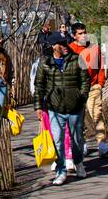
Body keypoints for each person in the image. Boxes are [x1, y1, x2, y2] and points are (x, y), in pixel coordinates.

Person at [34, 35, 90, 185]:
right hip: (54, 108)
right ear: (53, 46)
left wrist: (81, 97)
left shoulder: (77, 58)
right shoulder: (45, 62)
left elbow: (85, 80)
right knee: (57, 140)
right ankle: (61, 170)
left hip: (75, 107)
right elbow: (39, 85)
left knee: (77, 139)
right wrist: (38, 106)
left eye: (65, 42)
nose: (65, 45)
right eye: (61, 43)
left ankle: (78, 163)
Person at [69, 22, 108, 155]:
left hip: (93, 87)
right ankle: (83, 143)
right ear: (74, 35)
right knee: (81, 117)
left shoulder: (94, 48)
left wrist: (100, 83)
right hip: (78, 89)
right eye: (80, 33)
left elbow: (100, 66)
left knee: (97, 114)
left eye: (85, 32)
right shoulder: (70, 49)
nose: (84, 35)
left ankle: (102, 143)